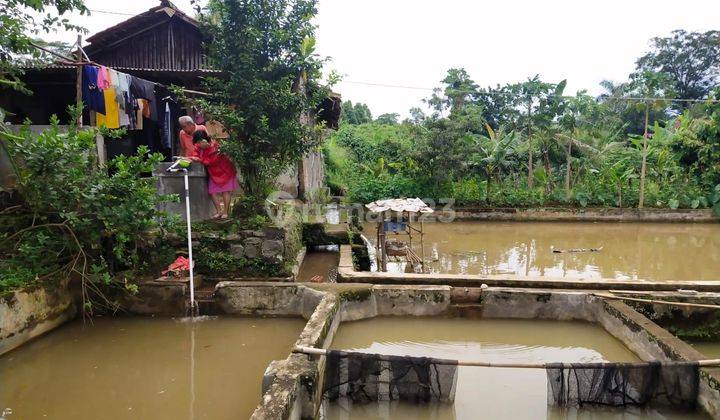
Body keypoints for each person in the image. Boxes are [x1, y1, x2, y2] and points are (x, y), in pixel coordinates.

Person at [191, 130, 238, 219]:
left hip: (225, 170)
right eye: (197, 143)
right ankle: (219, 211)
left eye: (199, 142)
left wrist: (200, 160)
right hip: (213, 172)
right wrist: (194, 157)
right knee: (212, 191)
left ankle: (225, 212)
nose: (198, 144)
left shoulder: (215, 146)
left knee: (226, 191)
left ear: (204, 140)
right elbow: (195, 152)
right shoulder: (198, 146)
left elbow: (212, 161)